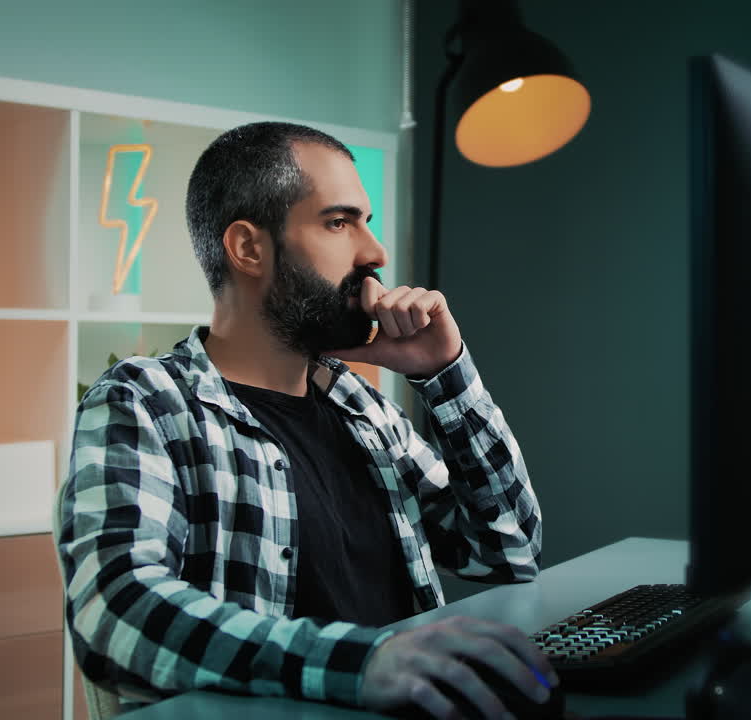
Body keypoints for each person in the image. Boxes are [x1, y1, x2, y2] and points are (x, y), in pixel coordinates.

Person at [56, 122, 555, 719]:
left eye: (366, 222)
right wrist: (364, 662)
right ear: (248, 248)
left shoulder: (361, 407)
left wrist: (444, 373)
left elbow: (509, 552)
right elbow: (114, 611)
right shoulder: (149, 402)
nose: (375, 254)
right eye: (339, 223)